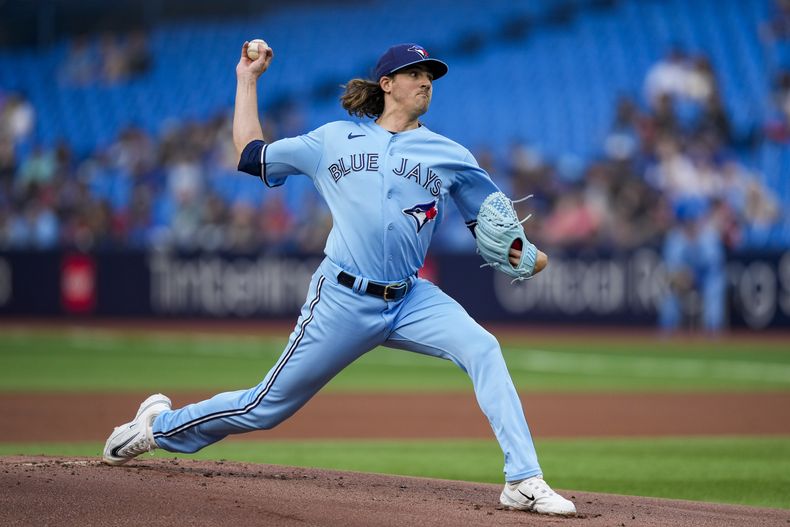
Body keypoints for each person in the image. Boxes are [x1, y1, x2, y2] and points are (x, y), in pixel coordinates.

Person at [102, 41, 575, 517]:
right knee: (265, 407)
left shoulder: (449, 154)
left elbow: (492, 225)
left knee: (483, 348)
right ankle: (157, 427)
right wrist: (247, 80)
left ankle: (522, 479)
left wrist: (526, 256)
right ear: (387, 84)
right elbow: (250, 154)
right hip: (342, 300)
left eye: (430, 74)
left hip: (410, 299)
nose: (426, 81)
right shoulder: (333, 139)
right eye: (415, 73)